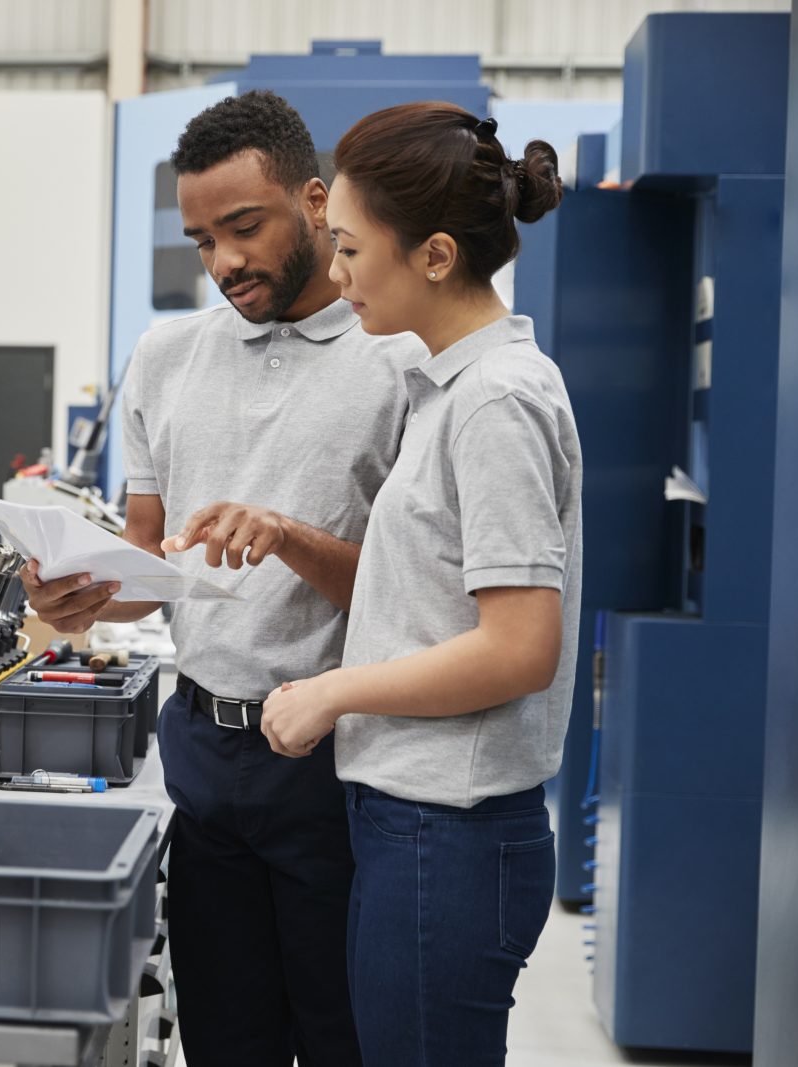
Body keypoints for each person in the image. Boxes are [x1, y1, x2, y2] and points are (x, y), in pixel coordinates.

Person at [22, 90, 423, 1066]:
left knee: (344, 1034)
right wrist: (77, 593)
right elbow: (153, 563)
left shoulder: (400, 360)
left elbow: (415, 595)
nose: (224, 261)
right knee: (224, 1035)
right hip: (202, 750)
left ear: (316, 203)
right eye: (202, 239)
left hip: (339, 756)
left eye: (244, 227)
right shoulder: (165, 357)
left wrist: (286, 535)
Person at [260, 105, 580, 1066]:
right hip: (417, 824)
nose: (339, 275)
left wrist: (333, 689)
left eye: (352, 249)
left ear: (435, 255)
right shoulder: (450, 390)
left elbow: (521, 647)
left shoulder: (498, 402)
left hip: (453, 834)